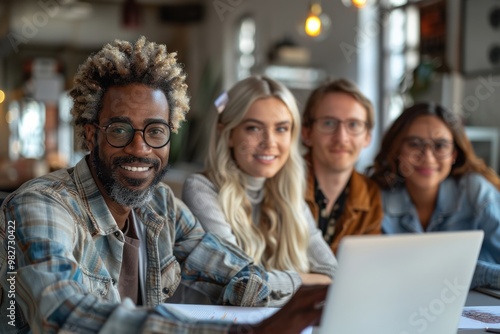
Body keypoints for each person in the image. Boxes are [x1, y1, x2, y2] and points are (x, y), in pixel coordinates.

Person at [0, 37, 329, 334]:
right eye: (119, 130)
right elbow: (62, 315)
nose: (140, 148)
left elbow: (241, 280)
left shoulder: (162, 209)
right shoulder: (40, 205)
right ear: (90, 135)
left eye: (155, 131)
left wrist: (321, 293)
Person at [180, 75, 337, 306]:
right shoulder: (201, 190)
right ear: (229, 134)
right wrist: (309, 283)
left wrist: (272, 285)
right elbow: (241, 286)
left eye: (281, 128)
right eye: (254, 128)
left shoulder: (290, 197)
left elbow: (334, 275)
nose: (269, 142)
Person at [370, 102, 500, 289]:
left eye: (440, 146)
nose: (428, 157)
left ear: (453, 154)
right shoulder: (376, 197)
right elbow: (374, 274)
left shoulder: (475, 192)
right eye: (414, 144)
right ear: (398, 150)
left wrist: (472, 273)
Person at [301, 78, 382, 254]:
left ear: (367, 137)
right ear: (306, 132)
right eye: (329, 123)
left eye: (353, 125)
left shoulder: (371, 194)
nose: (341, 138)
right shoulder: (279, 184)